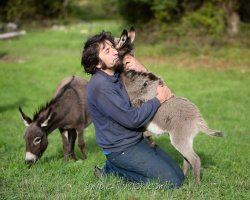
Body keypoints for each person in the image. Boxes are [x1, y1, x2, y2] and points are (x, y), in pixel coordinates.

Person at [81, 31, 184, 188]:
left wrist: (140, 66)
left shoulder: (115, 73)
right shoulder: (101, 87)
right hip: (121, 149)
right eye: (107, 51)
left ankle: (114, 168)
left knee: (179, 175)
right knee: (172, 182)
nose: (115, 52)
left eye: (112, 48)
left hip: (135, 140)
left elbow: (149, 85)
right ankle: (115, 170)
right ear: (97, 63)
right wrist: (159, 100)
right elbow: (132, 119)